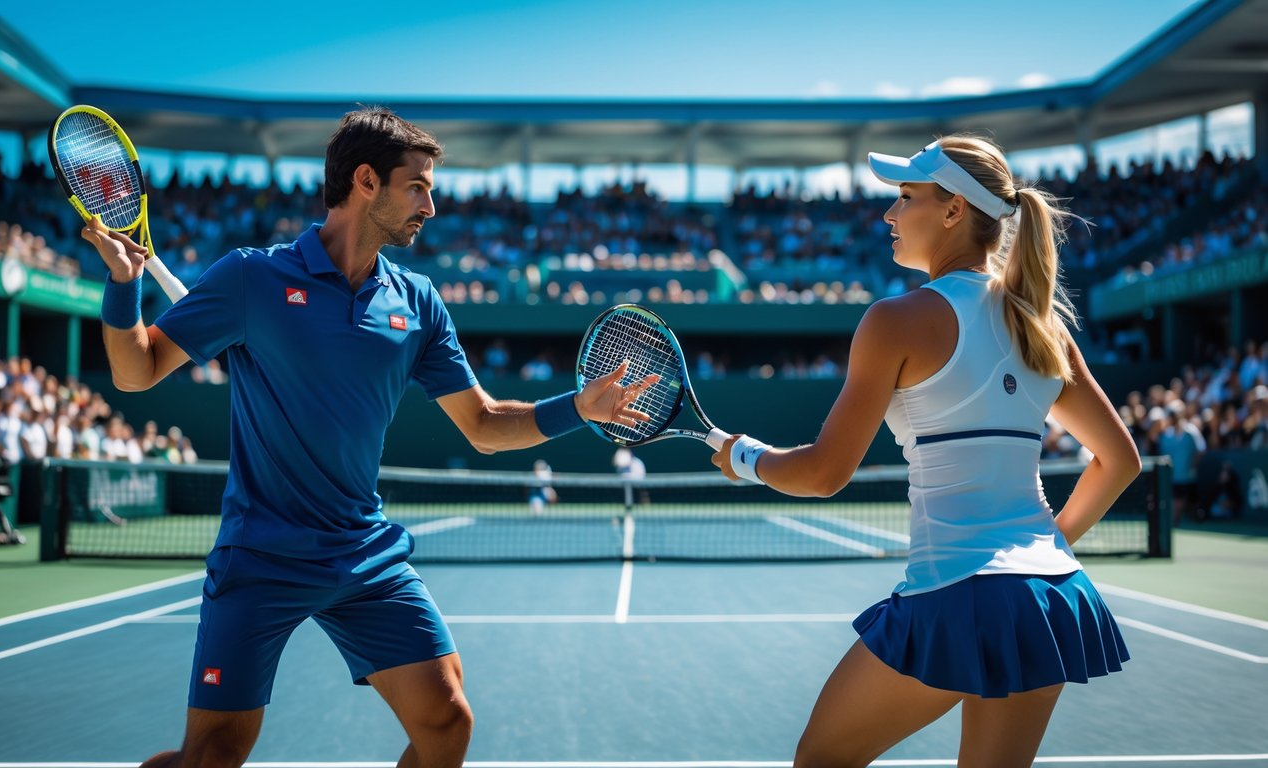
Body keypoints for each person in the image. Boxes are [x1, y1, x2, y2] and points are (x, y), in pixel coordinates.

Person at [80, 107, 655, 768]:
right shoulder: (250, 278)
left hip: (363, 556)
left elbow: (486, 426)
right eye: (419, 186)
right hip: (262, 557)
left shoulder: (418, 303)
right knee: (212, 755)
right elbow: (136, 370)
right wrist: (123, 289)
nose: (431, 206)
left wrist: (577, 408)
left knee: (446, 721)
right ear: (364, 182)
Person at [712, 135, 1142, 767]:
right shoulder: (1043, 326)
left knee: (819, 761)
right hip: (1051, 597)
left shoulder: (895, 321)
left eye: (906, 198)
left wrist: (743, 456)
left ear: (953, 212)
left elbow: (825, 473)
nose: (889, 215)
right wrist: (1047, 547)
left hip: (957, 595)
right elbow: (1120, 461)